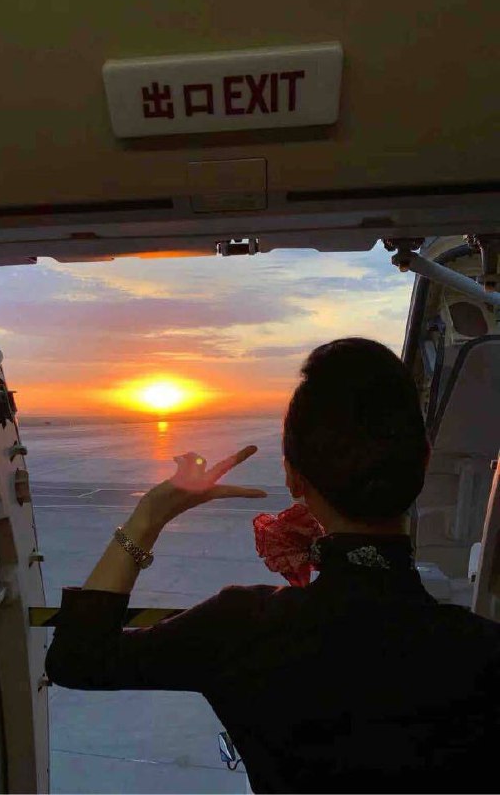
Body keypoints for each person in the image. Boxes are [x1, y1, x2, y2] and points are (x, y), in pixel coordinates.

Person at [45, 337, 500, 793]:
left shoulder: (242, 627)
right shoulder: (482, 652)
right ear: (423, 461)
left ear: (291, 476)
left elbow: (78, 660)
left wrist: (150, 515)